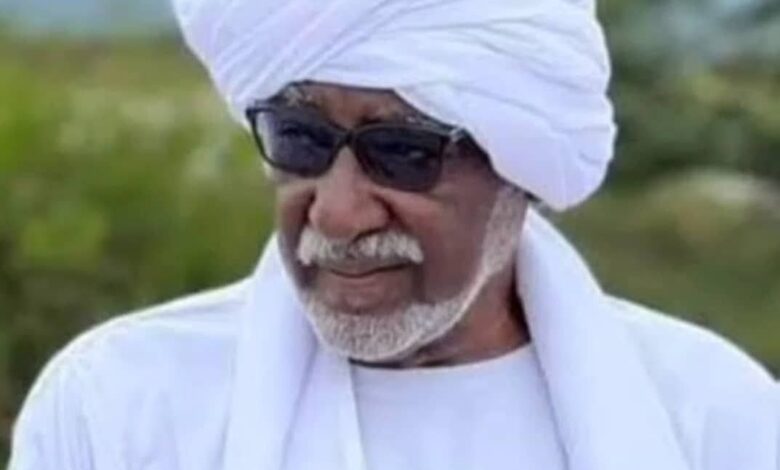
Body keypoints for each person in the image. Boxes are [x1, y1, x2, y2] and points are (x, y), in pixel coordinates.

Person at [8, 0, 779, 469]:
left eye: (404, 152)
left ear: (519, 170)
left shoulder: (714, 419)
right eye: (301, 139)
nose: (338, 213)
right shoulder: (119, 405)